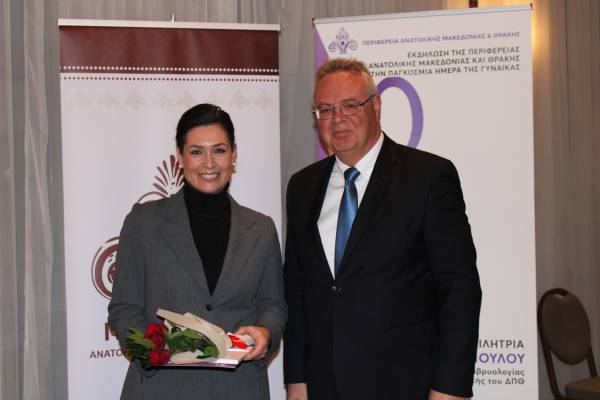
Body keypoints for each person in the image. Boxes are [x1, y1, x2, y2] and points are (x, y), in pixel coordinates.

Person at [283, 58, 481, 400]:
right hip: (323, 385)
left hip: (403, 383)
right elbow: (298, 293)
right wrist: (297, 380)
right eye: (325, 110)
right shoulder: (302, 187)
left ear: (376, 106)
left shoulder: (428, 178)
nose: (337, 119)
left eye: (350, 105)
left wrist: (450, 389)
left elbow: (459, 290)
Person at [108, 103, 287, 400]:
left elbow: (274, 306)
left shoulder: (261, 228)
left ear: (234, 155)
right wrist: (152, 352)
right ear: (179, 157)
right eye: (196, 152)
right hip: (160, 389)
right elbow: (124, 310)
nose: (209, 163)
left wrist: (266, 333)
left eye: (219, 150)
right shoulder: (143, 222)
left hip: (239, 388)